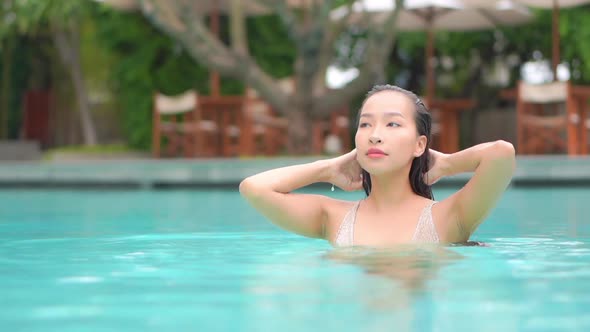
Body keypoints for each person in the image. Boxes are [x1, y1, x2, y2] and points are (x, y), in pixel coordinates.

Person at [239, 84, 515, 247]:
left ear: (419, 144)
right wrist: (328, 169)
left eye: (392, 123)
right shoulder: (332, 217)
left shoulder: (448, 217)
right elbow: (253, 188)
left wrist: (447, 164)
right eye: (365, 124)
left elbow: (501, 154)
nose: (375, 134)